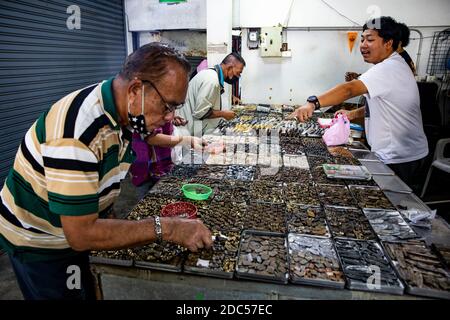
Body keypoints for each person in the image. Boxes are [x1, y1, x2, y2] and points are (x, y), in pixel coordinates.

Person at [0, 43, 213, 300]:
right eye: (168, 106)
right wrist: (167, 228)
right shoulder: (77, 134)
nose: (171, 118)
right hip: (40, 241)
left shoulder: (125, 110)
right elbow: (81, 235)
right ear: (136, 89)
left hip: (73, 226)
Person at [289, 16, 428, 188]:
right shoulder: (391, 65)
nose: (362, 45)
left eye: (370, 39)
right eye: (362, 39)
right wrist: (352, 113)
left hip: (401, 157)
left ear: (388, 43)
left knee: (395, 206)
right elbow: (384, 105)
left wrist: (312, 103)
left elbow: (349, 89)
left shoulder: (389, 68)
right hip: (403, 153)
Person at [176, 52, 246, 136]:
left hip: (193, 128)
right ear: (230, 67)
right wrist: (224, 114)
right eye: (238, 73)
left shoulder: (211, 74)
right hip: (187, 130)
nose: (238, 76)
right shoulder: (212, 81)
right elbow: (200, 113)